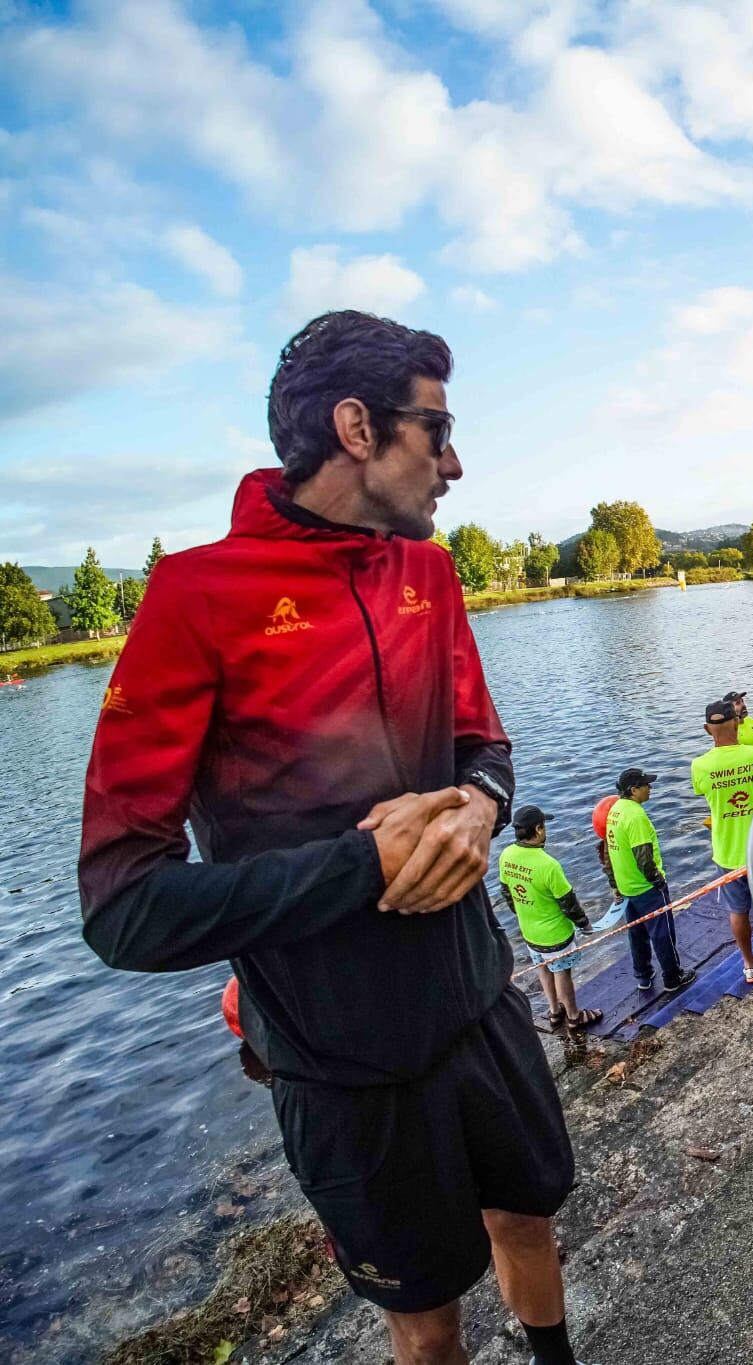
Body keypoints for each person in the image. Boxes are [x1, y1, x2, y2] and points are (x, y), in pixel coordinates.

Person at [78, 310, 588, 1365]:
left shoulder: (427, 574)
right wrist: (363, 867)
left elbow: (483, 746)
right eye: (434, 432)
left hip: (476, 996)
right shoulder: (195, 598)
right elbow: (123, 907)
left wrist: (480, 809)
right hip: (340, 1061)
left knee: (530, 1216)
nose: (455, 462)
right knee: (425, 1316)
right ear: (357, 428)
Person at [693, 698, 753, 984]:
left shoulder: (700, 766)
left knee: (737, 911)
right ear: (737, 722)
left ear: (708, 730)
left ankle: (749, 966)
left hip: (727, 851)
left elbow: (704, 796)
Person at [499, 806, 602, 1032]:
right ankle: (574, 1016)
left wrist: (524, 914)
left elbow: (507, 893)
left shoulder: (506, 855)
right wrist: (584, 924)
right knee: (562, 973)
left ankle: (555, 1012)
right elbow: (568, 903)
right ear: (538, 829)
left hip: (529, 932)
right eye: (543, 826)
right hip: (555, 934)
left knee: (543, 969)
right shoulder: (548, 865)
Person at [604, 767, 694, 995]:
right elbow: (644, 857)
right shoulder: (635, 816)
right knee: (663, 933)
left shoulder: (615, 810)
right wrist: (658, 881)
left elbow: (608, 854)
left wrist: (615, 884)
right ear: (634, 790)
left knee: (637, 934)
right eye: (646, 785)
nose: (650, 788)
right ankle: (673, 978)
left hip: (627, 887)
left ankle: (643, 976)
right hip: (646, 888)